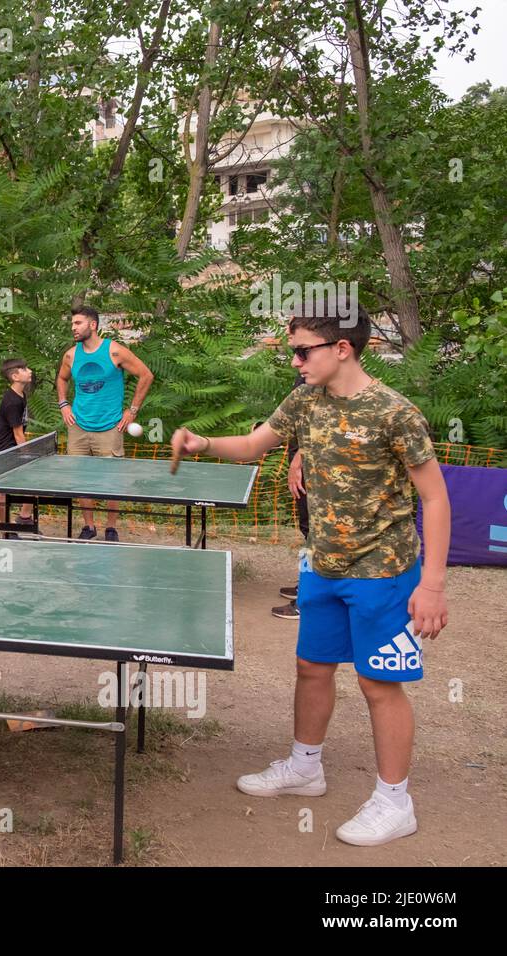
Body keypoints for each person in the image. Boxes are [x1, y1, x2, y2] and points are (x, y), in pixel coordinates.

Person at [170, 296, 450, 846]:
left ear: (341, 348)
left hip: (384, 572)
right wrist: (203, 442)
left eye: (302, 351)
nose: (295, 362)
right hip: (322, 566)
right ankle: (305, 767)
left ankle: (396, 802)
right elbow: (254, 445)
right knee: (311, 668)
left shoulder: (395, 413)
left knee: (380, 685)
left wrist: (432, 584)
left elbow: (436, 500)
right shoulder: (304, 401)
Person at [55, 305, 154, 541]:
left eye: (78, 323)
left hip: (110, 426)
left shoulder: (115, 351)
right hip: (78, 426)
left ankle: (111, 527)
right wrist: (63, 404)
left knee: (112, 481)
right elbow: (61, 378)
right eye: (72, 324)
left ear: (93, 325)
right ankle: (89, 526)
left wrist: (132, 411)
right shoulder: (71, 355)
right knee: (81, 480)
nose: (73, 328)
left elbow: (146, 375)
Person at [274, 372, 311, 620]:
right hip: (300, 455)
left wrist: (299, 460)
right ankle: (307, 586)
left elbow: (317, 424)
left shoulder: (321, 378)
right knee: (308, 528)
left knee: (315, 533)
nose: (295, 360)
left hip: (310, 465)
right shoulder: (306, 373)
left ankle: (307, 599)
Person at [0, 358, 36, 536]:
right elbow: (18, 434)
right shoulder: (12, 402)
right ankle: (5, 529)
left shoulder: (21, 395)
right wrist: (28, 456)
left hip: (13, 447)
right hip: (2, 450)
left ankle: (23, 517)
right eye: (24, 369)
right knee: (3, 491)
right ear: (15, 376)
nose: (29, 370)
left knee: (33, 482)